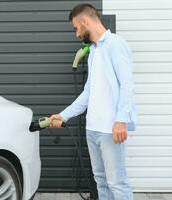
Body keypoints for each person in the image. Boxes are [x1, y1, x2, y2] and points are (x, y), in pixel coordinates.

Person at [49, 4, 137, 200]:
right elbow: (88, 93)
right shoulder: (94, 52)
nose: (76, 34)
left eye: (76, 28)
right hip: (93, 129)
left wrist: (121, 119)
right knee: (100, 181)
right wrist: (64, 115)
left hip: (110, 130)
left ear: (85, 22)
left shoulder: (115, 44)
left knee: (118, 183)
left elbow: (127, 86)